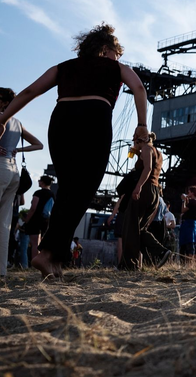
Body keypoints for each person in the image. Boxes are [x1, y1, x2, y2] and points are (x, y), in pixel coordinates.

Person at [0, 23, 148, 278]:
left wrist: (3, 118)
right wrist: (142, 124)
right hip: (93, 121)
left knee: (68, 190)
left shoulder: (64, 67)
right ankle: (48, 254)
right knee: (83, 190)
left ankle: (54, 259)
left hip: (61, 123)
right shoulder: (116, 68)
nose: (118, 58)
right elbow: (140, 89)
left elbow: (30, 91)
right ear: (105, 49)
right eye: (116, 53)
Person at [0, 87, 42, 278]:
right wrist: (18, 151)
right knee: (4, 222)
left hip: (0, 167)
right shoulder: (17, 122)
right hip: (13, 171)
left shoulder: (2, 118)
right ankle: (1, 269)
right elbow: (39, 144)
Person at [120, 129, 171, 270]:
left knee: (130, 226)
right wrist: (136, 151)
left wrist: (138, 187)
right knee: (139, 228)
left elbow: (147, 168)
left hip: (145, 189)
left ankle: (129, 265)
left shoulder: (147, 149)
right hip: (154, 191)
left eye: (134, 136)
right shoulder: (157, 152)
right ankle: (161, 252)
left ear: (140, 138)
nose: (132, 138)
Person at [21, 176, 55, 266]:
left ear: (43, 182)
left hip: (35, 220)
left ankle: (35, 264)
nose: (38, 182)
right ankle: (42, 262)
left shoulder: (38, 193)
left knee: (35, 244)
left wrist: (27, 220)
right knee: (41, 243)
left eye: (40, 181)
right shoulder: (52, 194)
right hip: (45, 220)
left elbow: (33, 208)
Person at [179, 186, 196, 265]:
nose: (187, 194)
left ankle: (189, 263)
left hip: (189, 224)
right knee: (194, 244)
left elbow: (183, 210)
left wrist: (183, 201)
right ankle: (194, 264)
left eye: (189, 192)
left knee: (189, 243)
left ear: (192, 193)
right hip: (194, 224)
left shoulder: (192, 201)